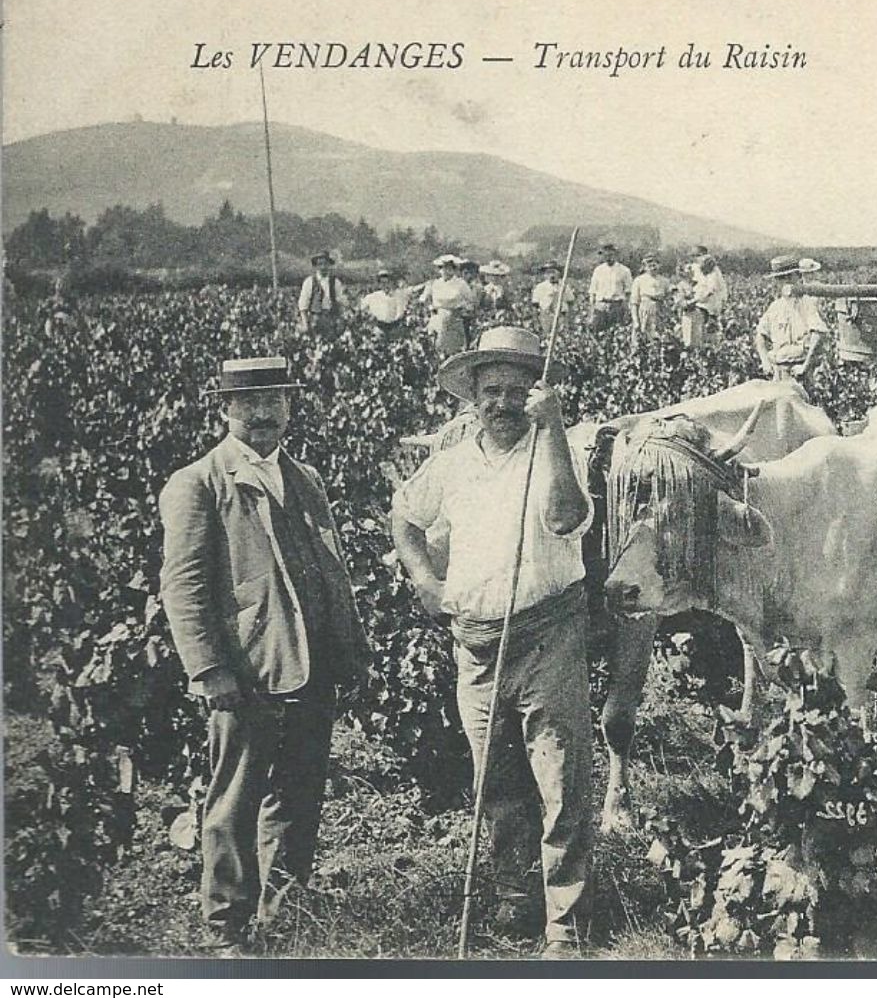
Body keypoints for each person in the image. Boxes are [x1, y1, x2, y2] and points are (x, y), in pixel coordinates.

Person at [389, 327, 594, 955]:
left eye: (516, 390)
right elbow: (404, 516)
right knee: (495, 775)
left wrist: (555, 429)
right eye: (491, 391)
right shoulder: (450, 462)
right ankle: (513, 894)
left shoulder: (556, 449)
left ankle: (566, 918)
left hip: (547, 630)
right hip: (474, 643)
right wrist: (426, 578)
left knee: (560, 775)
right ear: (472, 398)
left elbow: (565, 518)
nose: (503, 402)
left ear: (536, 394)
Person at [158, 356, 369, 955]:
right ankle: (227, 924)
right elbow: (184, 585)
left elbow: (329, 574)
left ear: (290, 407)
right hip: (246, 669)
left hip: (310, 664)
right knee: (234, 798)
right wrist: (208, 667)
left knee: (299, 793)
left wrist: (348, 651)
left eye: (273, 400)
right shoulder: (198, 482)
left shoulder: (301, 477)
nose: (261, 414)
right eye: (247, 403)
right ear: (224, 410)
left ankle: (285, 910)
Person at [754, 254, 830, 382]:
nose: (785, 282)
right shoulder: (775, 307)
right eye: (780, 278)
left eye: (788, 277)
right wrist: (765, 361)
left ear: (798, 277)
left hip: (798, 371)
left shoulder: (807, 303)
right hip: (777, 370)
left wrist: (805, 366)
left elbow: (819, 335)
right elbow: (760, 335)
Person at [421, 254, 480, 356]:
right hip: (438, 317)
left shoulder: (460, 284)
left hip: (454, 318)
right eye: (443, 268)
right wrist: (430, 309)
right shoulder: (436, 284)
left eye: (449, 268)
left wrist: (464, 310)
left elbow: (471, 301)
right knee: (436, 347)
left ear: (454, 269)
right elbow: (424, 299)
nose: (445, 271)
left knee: (453, 349)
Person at [681, 251, 729, 348]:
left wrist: (694, 300)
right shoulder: (697, 267)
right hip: (701, 305)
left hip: (708, 306)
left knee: (706, 332)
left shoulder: (712, 271)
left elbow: (711, 290)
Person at [586, 243, 632, 333]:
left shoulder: (624, 270)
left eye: (611, 255)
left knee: (617, 333)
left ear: (615, 255)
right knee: (599, 332)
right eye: (606, 255)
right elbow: (593, 292)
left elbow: (628, 292)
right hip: (601, 306)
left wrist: (627, 309)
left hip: (617, 306)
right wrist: (591, 311)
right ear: (603, 256)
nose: (608, 257)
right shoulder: (598, 270)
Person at [297, 252, 347, 335]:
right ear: (316, 266)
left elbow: (340, 302)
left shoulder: (335, 282)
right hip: (315, 320)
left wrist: (340, 319)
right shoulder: (309, 282)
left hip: (332, 318)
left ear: (329, 265)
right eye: (320, 264)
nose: (323, 267)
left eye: (325, 264)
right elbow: (303, 306)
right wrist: (305, 325)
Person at [628, 255, 671, 341]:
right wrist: (636, 321)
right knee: (643, 338)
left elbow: (669, 298)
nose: (653, 268)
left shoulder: (665, 281)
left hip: (660, 311)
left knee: (661, 338)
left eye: (654, 265)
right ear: (644, 267)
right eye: (649, 266)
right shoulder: (639, 280)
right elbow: (634, 302)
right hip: (644, 311)